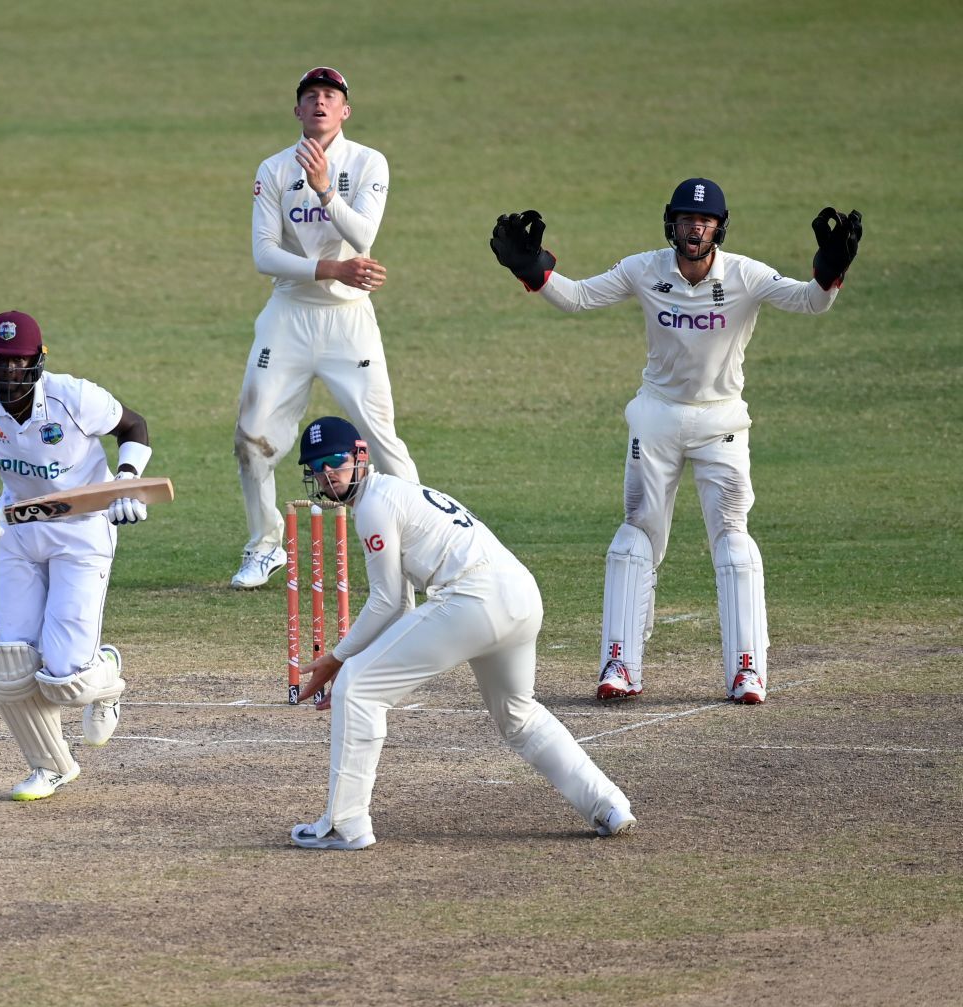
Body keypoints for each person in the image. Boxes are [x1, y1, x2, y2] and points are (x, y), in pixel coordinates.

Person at [490, 181, 862, 703]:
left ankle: (747, 670)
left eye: (705, 221)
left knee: (733, 542)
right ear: (672, 223)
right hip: (657, 419)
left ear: (719, 227)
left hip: (721, 422)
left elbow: (809, 302)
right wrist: (530, 269)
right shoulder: (643, 269)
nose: (695, 228)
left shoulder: (746, 275)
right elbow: (576, 298)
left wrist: (830, 267)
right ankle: (620, 663)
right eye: (687, 219)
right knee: (633, 537)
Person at [287, 417, 634, 851]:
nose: (327, 475)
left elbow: (390, 602)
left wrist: (338, 658)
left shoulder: (375, 505)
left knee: (358, 687)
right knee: (519, 716)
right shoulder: (398, 493)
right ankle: (608, 804)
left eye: (334, 462)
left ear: (361, 457)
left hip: (474, 596)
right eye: (317, 468)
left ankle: (345, 824)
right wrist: (350, 656)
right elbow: (400, 606)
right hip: (520, 594)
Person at [0, 311, 153, 801]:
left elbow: (134, 425)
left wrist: (127, 480)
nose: (8, 373)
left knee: (65, 675)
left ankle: (105, 676)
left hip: (82, 530)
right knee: (12, 664)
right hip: (18, 531)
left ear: (37, 361)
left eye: (18, 361)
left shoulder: (74, 397)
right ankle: (50, 765)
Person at [231, 65, 419, 590]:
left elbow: (364, 233)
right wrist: (332, 268)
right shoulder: (272, 170)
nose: (320, 102)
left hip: (348, 322)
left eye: (330, 96)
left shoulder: (368, 162)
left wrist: (324, 192)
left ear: (345, 111)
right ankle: (264, 545)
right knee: (250, 439)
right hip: (288, 315)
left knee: (383, 439)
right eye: (310, 95)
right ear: (297, 110)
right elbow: (264, 255)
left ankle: (419, 548)